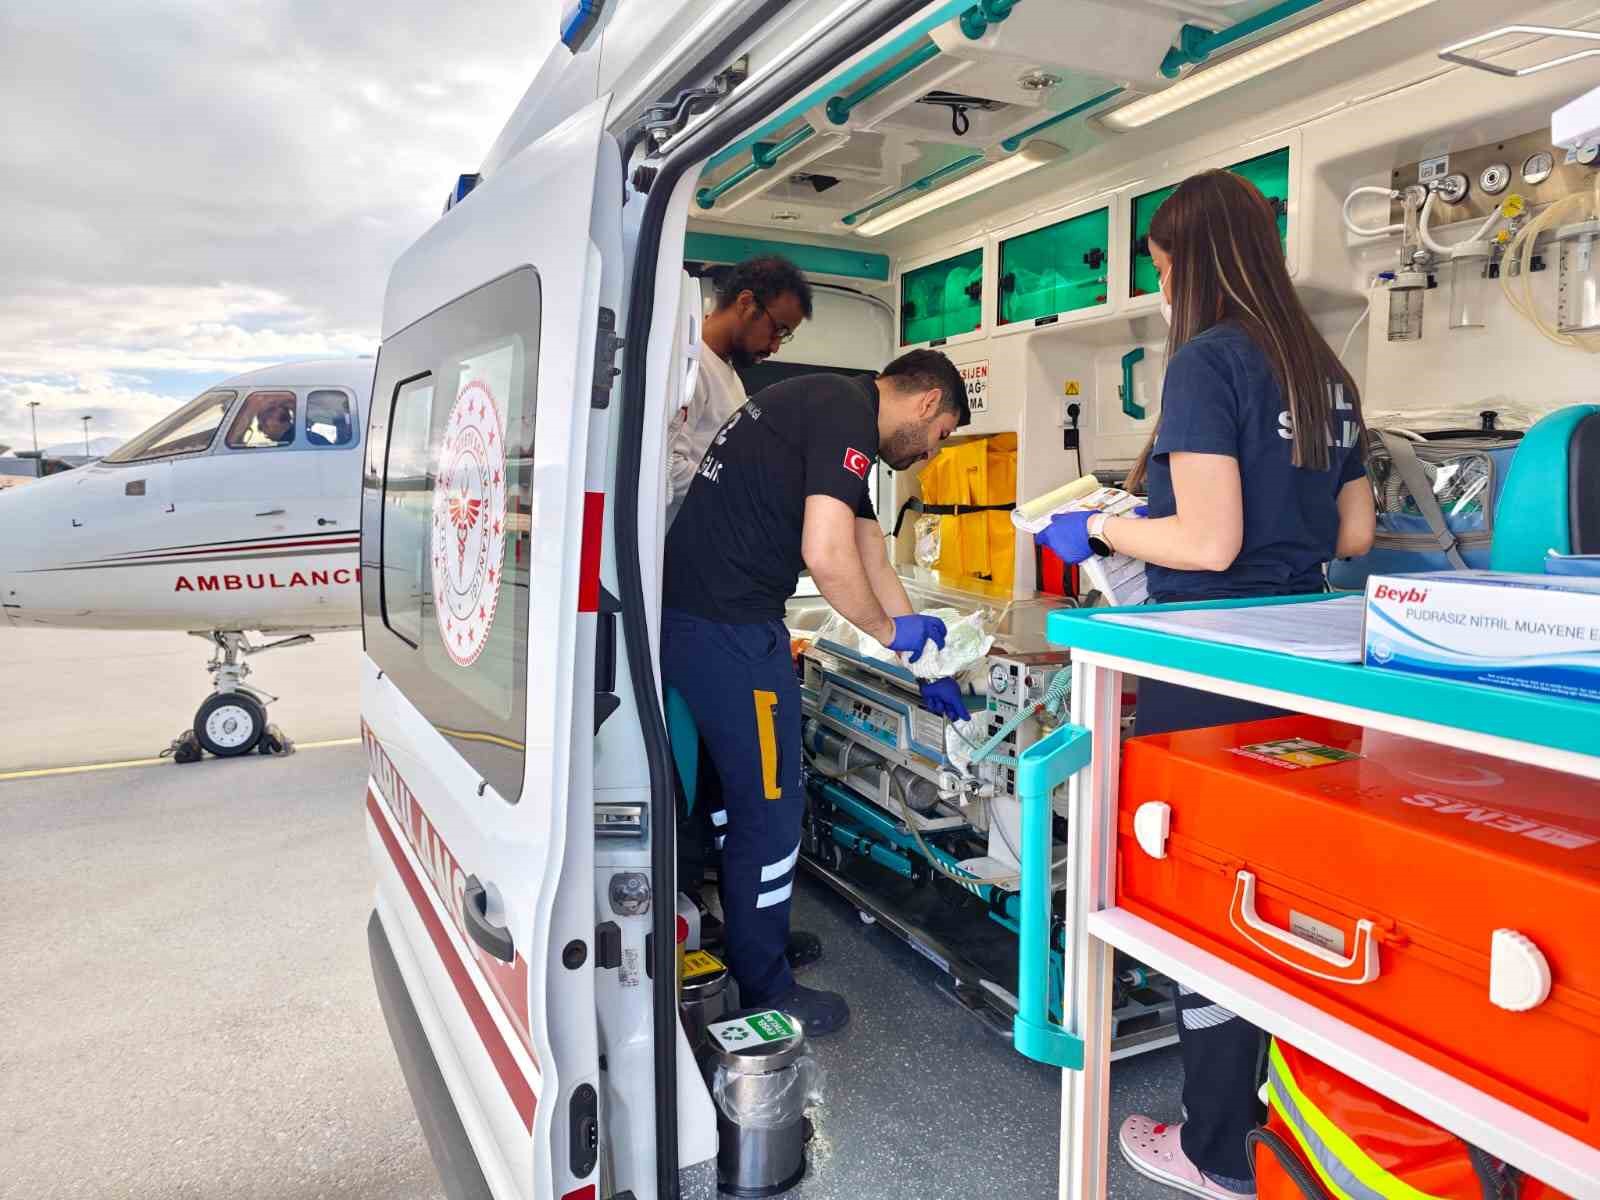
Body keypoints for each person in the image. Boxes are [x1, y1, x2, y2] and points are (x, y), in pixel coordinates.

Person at [1036, 169, 1376, 1198]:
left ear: (1186, 259)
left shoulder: (1205, 361)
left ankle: (1216, 1149)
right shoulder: (1324, 370)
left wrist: (1102, 525)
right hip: (1314, 669)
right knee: (1290, 900)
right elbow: (1353, 533)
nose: (1160, 284)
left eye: (1160, 265)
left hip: (1210, 670)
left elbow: (1209, 541)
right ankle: (1289, 1135)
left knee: (1204, 902)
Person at [662, 350, 973, 1036]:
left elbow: (868, 550)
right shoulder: (844, 415)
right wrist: (889, 630)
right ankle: (765, 985)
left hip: (699, 621)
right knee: (772, 809)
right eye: (941, 434)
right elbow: (826, 555)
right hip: (731, 632)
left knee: (730, 800)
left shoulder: (831, 403)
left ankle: (752, 938)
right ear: (927, 403)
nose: (929, 453)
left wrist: (925, 661)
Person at [666, 256, 813, 528]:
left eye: (784, 337)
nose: (775, 346)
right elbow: (669, 469)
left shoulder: (729, 376)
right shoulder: (692, 366)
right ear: (746, 303)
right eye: (777, 330)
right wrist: (748, 491)